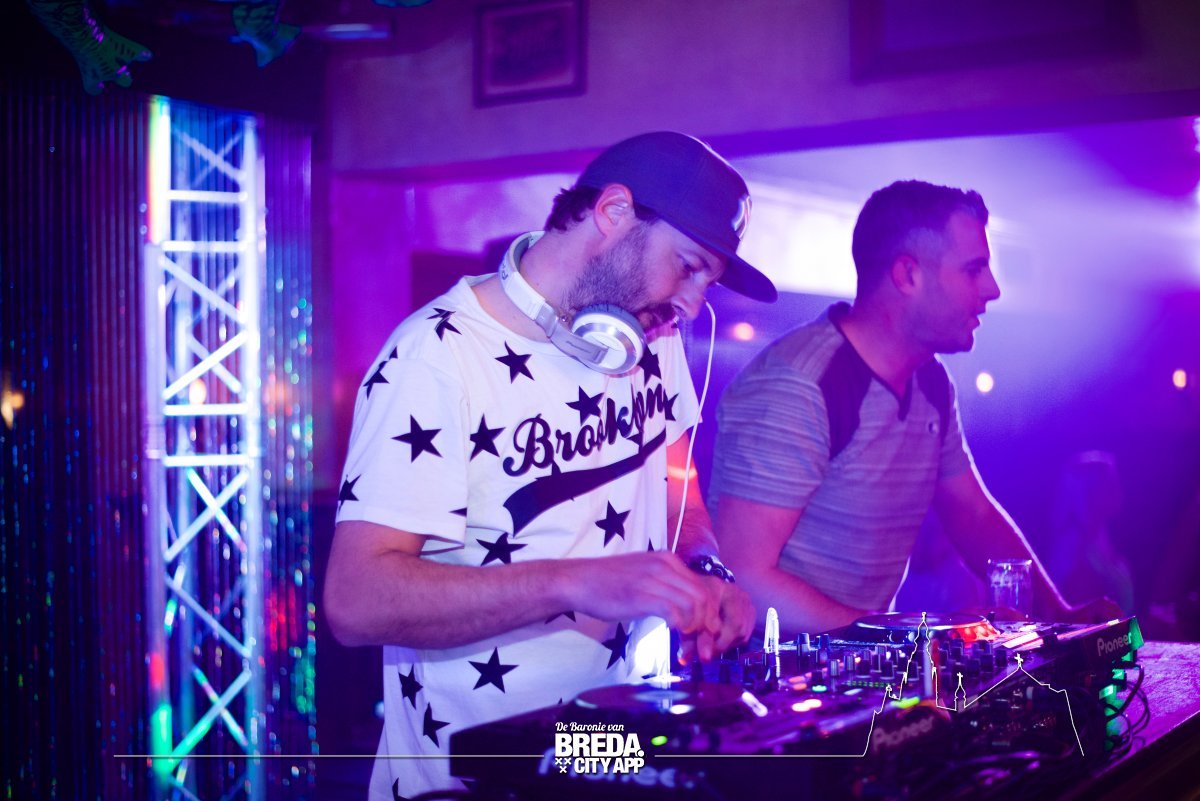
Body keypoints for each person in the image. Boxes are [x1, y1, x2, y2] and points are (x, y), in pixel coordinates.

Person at [324, 132, 772, 800]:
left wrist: (704, 569)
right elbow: (355, 602)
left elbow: (679, 489)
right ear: (613, 212)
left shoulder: (651, 336)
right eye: (687, 266)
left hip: (613, 753)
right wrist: (576, 582)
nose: (691, 304)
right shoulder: (436, 355)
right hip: (472, 775)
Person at [709, 179, 1120, 636]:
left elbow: (973, 514)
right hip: (775, 672)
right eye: (973, 270)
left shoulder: (932, 381)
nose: (992, 289)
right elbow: (744, 576)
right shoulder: (799, 383)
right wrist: (899, 639)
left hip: (861, 659)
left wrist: (1059, 614)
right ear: (907, 275)